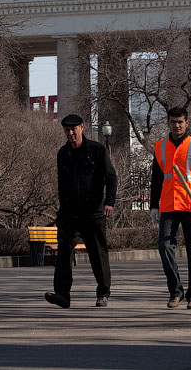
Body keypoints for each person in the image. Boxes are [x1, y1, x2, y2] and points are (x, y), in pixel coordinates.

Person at [44, 114, 117, 309]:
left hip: (93, 212)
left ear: (82, 127)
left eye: (73, 129)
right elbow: (62, 185)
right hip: (69, 213)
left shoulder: (97, 150)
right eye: (66, 130)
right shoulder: (63, 153)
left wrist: (109, 202)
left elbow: (111, 178)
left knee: (97, 253)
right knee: (64, 253)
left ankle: (103, 293)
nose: (70, 133)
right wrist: (61, 212)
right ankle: (62, 295)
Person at [150, 106, 191, 310]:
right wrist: (153, 205)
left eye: (180, 122)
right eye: (172, 122)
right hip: (168, 205)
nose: (176, 125)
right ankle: (176, 291)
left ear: (187, 123)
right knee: (164, 247)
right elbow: (156, 179)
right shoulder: (159, 147)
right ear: (167, 123)